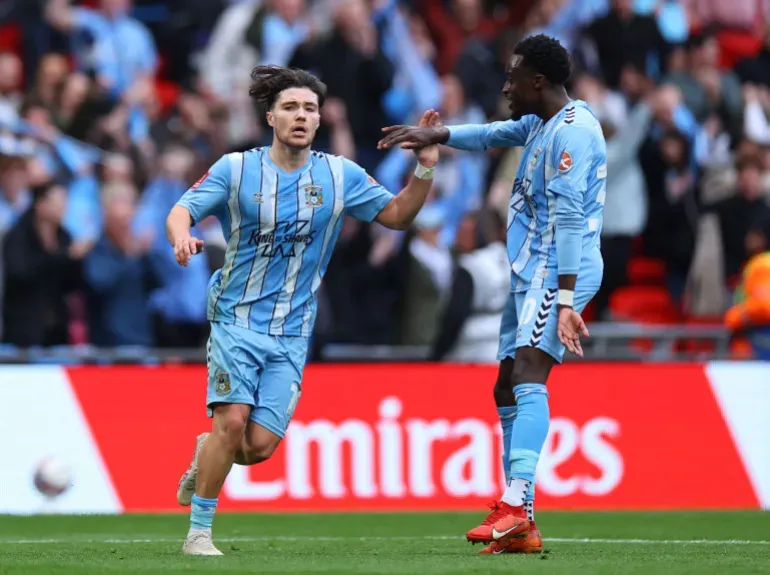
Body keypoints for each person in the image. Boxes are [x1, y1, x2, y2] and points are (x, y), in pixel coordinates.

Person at [166, 65, 439, 556]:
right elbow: (181, 209)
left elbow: (397, 216)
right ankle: (199, 534)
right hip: (235, 319)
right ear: (271, 116)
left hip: (293, 331)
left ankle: (204, 455)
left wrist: (424, 167)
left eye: (309, 109)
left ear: (319, 121)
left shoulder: (340, 176)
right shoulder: (236, 169)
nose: (301, 116)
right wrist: (183, 236)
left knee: (255, 448)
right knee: (230, 423)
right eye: (291, 107)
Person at [378, 34, 607, 555]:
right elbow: (492, 134)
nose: (505, 87)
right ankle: (522, 522)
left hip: (559, 273)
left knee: (529, 372)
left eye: (512, 78)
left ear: (538, 81)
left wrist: (567, 299)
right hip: (529, 273)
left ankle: (514, 502)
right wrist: (434, 133)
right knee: (505, 385)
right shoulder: (540, 123)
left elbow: (571, 220)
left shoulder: (574, 133)